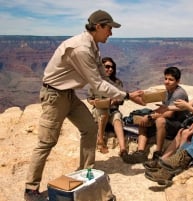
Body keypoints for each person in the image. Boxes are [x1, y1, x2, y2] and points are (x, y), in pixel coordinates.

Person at [24, 10, 145, 201]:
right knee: (47, 142)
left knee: (89, 128)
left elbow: (103, 76)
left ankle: (86, 173)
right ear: (98, 27)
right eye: (109, 29)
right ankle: (30, 189)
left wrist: (124, 92)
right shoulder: (81, 48)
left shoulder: (92, 45)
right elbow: (96, 84)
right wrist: (128, 96)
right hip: (54, 96)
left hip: (69, 95)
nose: (111, 33)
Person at [122, 66, 189, 164]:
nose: (167, 82)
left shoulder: (179, 93)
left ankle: (158, 152)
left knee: (159, 120)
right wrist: (149, 115)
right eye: (165, 78)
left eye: (171, 80)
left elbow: (170, 113)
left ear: (178, 81)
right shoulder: (167, 91)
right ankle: (140, 152)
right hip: (170, 121)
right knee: (143, 120)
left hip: (178, 123)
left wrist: (151, 117)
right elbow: (163, 108)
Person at [88, 57, 128, 157]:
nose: (110, 69)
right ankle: (100, 141)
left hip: (113, 110)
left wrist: (115, 100)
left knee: (117, 118)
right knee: (103, 111)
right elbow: (89, 98)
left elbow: (122, 99)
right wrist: (94, 102)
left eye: (112, 67)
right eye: (107, 67)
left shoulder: (117, 82)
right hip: (98, 111)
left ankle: (123, 148)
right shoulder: (95, 82)